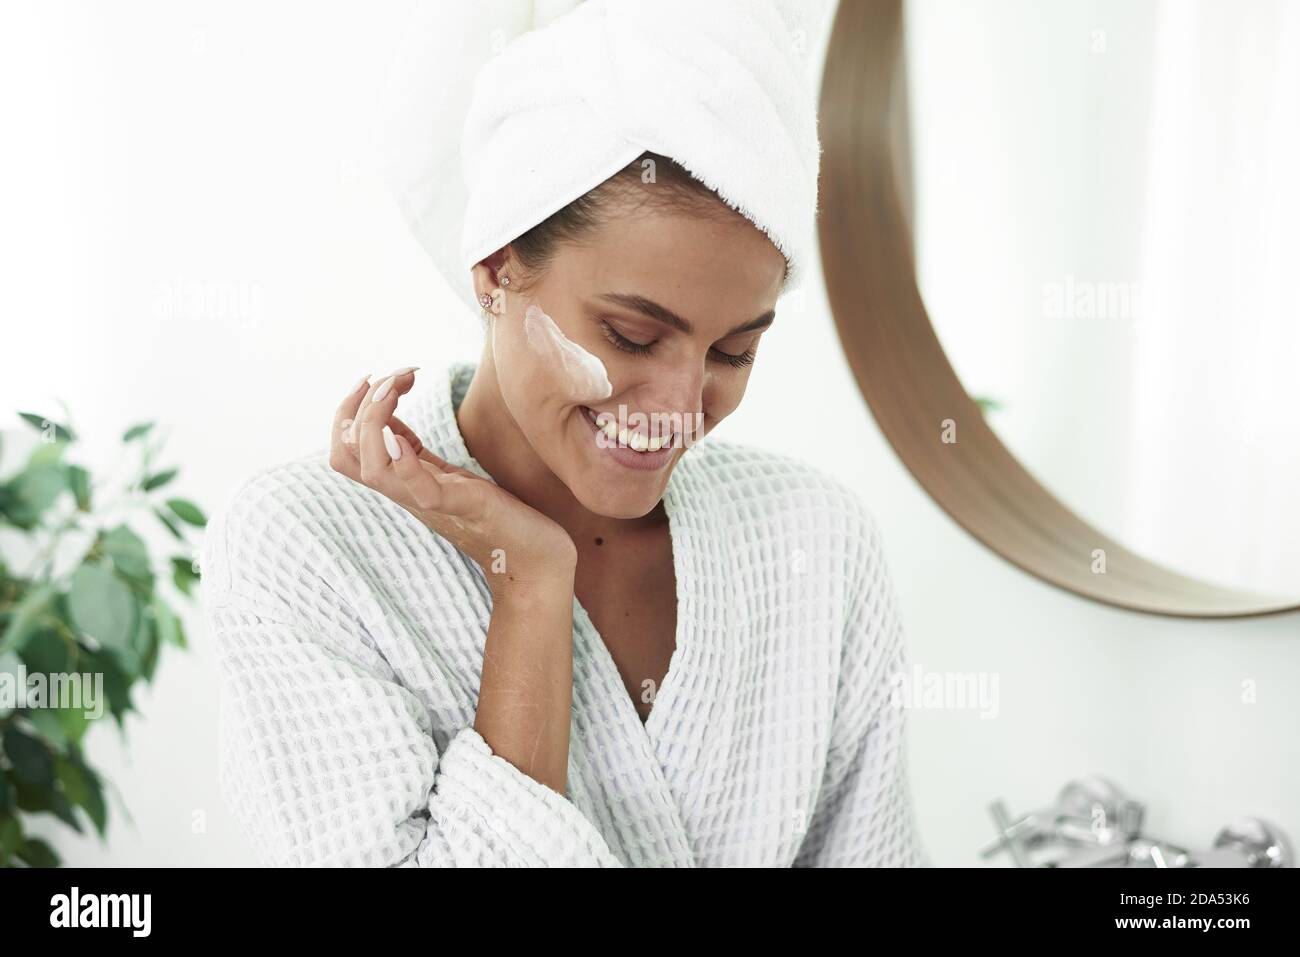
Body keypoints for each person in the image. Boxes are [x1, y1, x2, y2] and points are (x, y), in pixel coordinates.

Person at [200, 0, 929, 867]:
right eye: (631, 335)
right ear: (498, 268)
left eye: (735, 350)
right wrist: (531, 587)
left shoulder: (817, 544)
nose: (680, 401)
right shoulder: (309, 547)